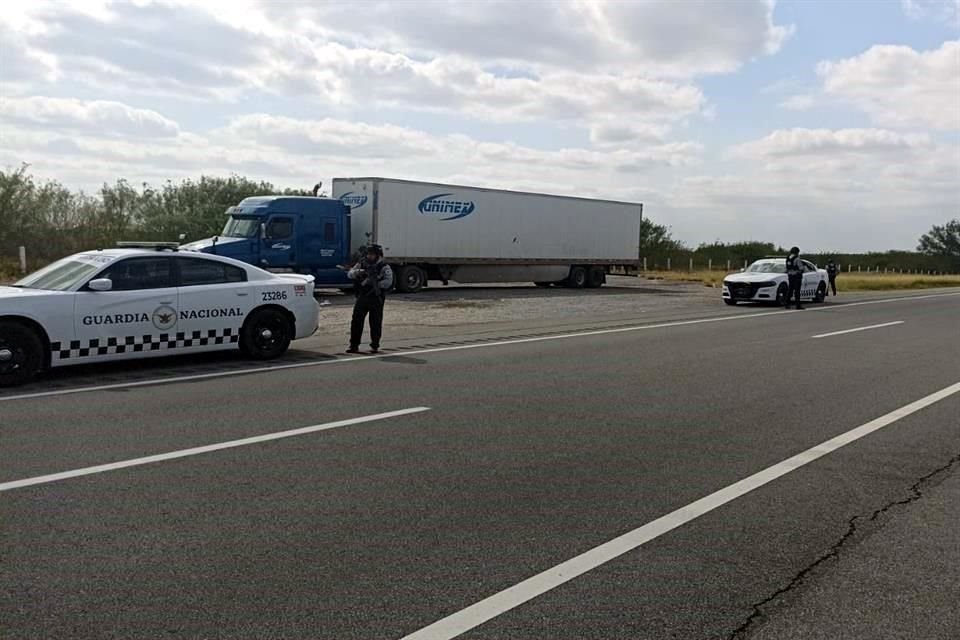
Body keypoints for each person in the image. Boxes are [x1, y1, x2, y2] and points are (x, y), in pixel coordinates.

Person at [347, 244, 393, 354]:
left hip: (376, 298)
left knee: (375, 322)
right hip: (362, 296)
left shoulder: (384, 266)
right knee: (356, 321)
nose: (369, 256)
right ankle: (354, 345)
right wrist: (358, 273)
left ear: (377, 255)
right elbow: (350, 274)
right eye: (368, 254)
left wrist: (375, 283)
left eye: (372, 254)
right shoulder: (362, 263)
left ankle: (375, 345)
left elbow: (388, 282)